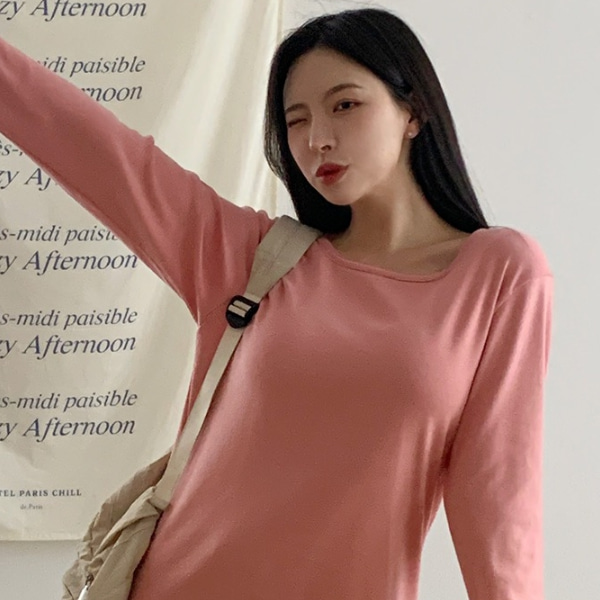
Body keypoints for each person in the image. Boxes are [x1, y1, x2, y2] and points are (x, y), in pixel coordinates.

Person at [0, 7, 553, 600]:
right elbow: (90, 146)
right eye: (296, 120)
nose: (318, 139)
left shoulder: (497, 272)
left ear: (413, 110)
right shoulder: (252, 259)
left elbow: (498, 501)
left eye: (345, 105)